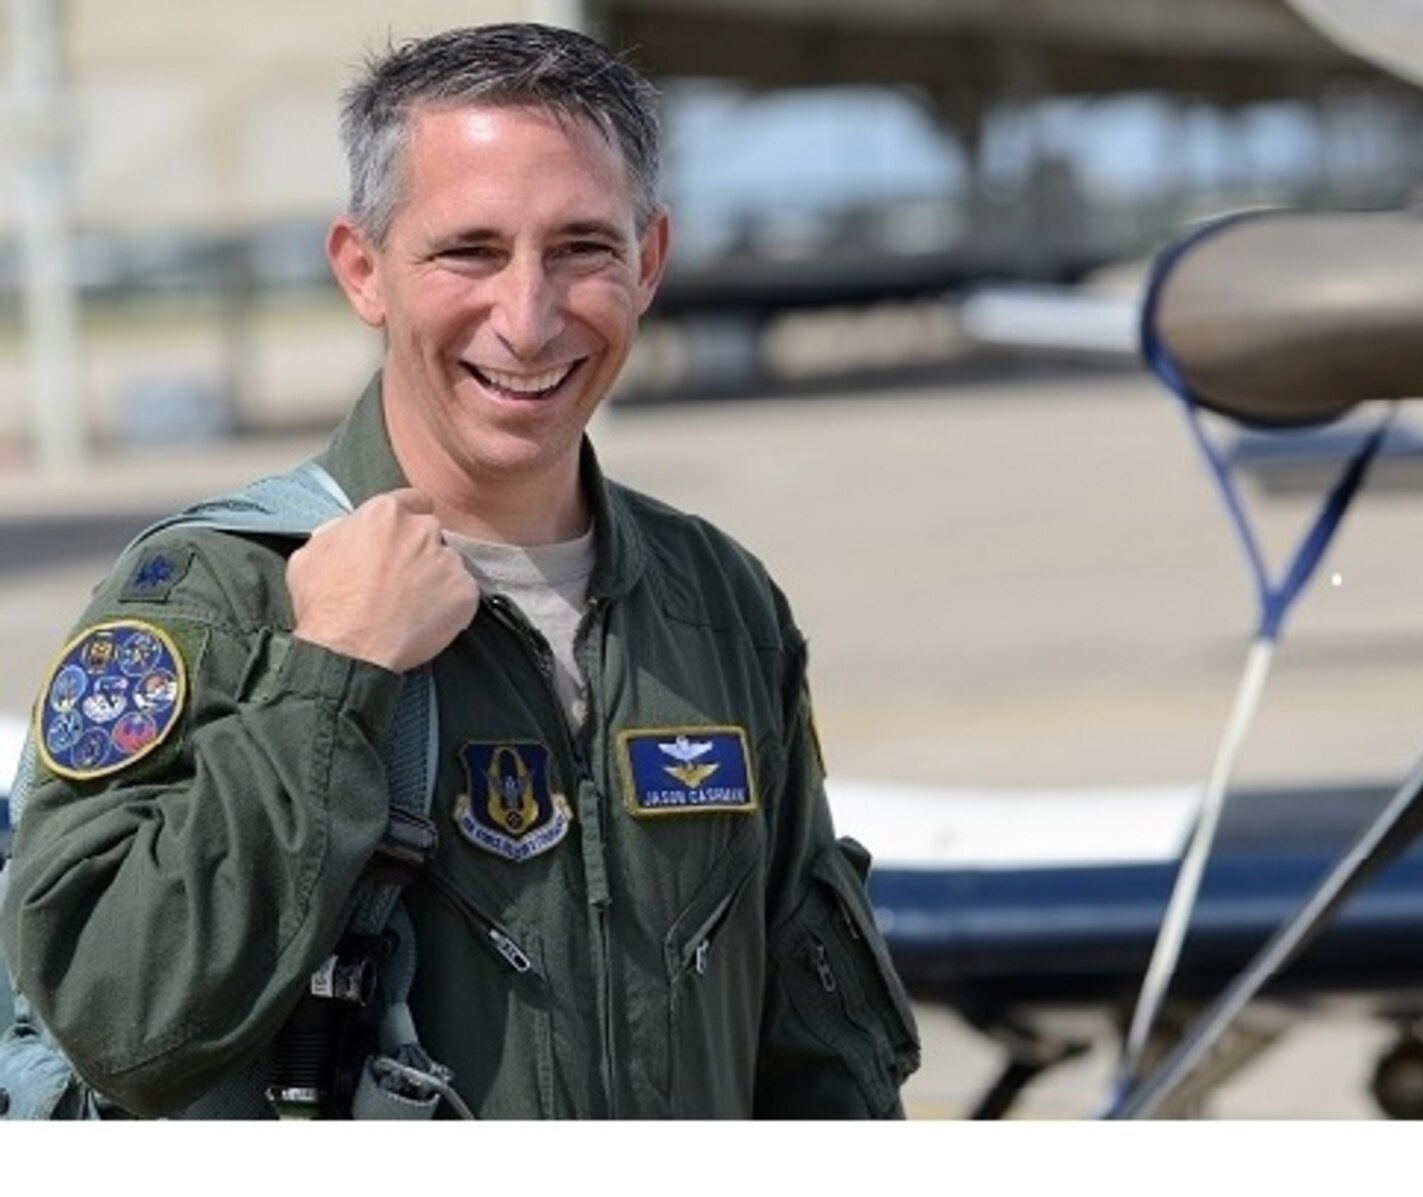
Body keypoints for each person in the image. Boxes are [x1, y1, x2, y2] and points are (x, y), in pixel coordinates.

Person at [0, 22, 919, 1119]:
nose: (527, 321)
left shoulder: (716, 603)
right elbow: (120, 1027)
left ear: (651, 260)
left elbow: (817, 1058)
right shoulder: (216, 599)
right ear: (362, 269)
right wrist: (330, 679)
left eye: (582, 248)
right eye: (468, 252)